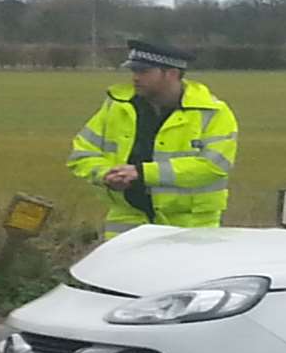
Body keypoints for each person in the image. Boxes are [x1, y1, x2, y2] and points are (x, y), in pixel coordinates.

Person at [67, 40, 239, 238]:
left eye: (144, 71)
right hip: (126, 227)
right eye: (134, 71)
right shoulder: (116, 106)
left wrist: (141, 173)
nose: (135, 78)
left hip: (191, 229)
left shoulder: (213, 113)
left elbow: (214, 166)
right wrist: (106, 174)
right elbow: (82, 153)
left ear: (172, 74)